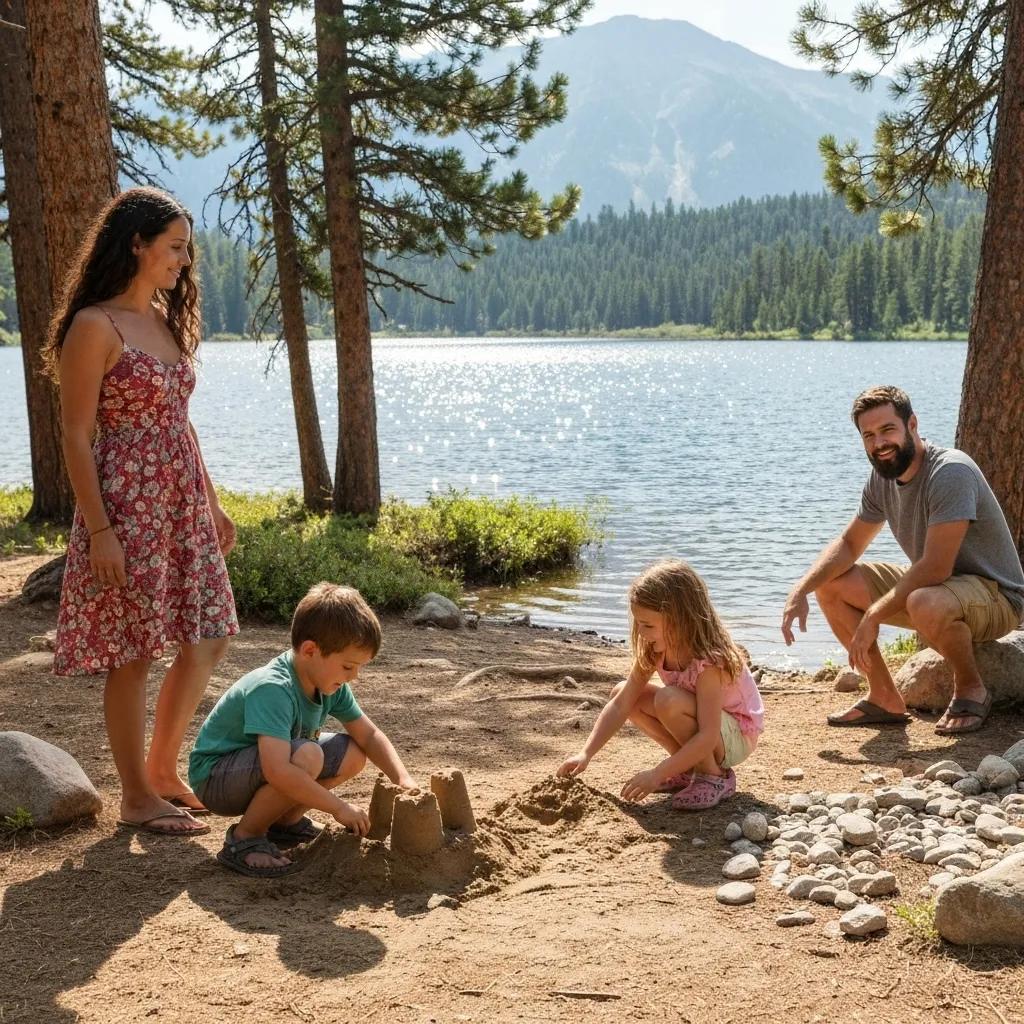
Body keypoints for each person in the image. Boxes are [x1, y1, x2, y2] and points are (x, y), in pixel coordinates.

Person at [48, 187, 238, 836]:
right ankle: (134, 795)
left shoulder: (162, 318)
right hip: (126, 506)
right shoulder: (93, 326)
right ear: (136, 244)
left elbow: (179, 423)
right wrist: (100, 530)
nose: (185, 260)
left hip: (181, 502)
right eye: (175, 247)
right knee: (134, 651)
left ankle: (162, 770)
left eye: (188, 249)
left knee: (208, 632)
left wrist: (211, 502)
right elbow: (76, 436)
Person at [781, 385, 1024, 735]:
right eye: (869, 435)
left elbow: (935, 568)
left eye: (887, 430)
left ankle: (972, 689)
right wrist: (800, 589)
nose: (879, 443)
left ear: (912, 424)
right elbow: (850, 544)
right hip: (939, 591)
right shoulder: (883, 479)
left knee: (923, 598)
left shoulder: (950, 472)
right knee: (832, 585)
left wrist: (873, 614)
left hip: (997, 597)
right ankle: (883, 697)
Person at [189, 582, 417, 877]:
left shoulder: (328, 684)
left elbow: (369, 735)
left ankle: (285, 823)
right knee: (308, 755)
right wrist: (338, 808)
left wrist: (403, 779)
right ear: (310, 650)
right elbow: (277, 771)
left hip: (259, 766)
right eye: (348, 666)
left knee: (353, 751)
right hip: (216, 777)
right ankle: (245, 838)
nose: (354, 676)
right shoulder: (273, 687)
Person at [557, 560, 764, 810]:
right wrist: (586, 753)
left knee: (669, 700)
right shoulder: (655, 650)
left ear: (680, 620)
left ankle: (714, 778)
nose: (641, 633)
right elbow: (621, 704)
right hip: (705, 729)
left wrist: (656, 773)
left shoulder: (709, 663)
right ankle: (688, 769)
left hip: (735, 736)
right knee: (623, 692)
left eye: (648, 625)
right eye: (638, 624)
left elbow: (708, 736)